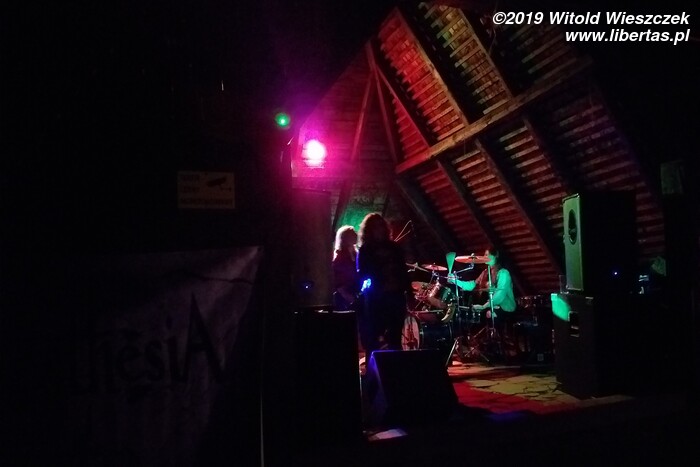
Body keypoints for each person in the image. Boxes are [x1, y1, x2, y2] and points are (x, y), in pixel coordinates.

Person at [356, 213, 413, 363]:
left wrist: (409, 294)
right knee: (373, 337)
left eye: (381, 226)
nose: (379, 229)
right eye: (375, 227)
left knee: (395, 336)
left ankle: (396, 367)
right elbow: (362, 274)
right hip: (376, 298)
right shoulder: (366, 250)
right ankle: (373, 369)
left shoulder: (394, 248)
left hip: (396, 296)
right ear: (369, 230)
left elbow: (403, 272)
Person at [448, 247, 516, 320]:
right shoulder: (485, 273)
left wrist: (484, 307)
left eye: (486, 255)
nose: (484, 256)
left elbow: (500, 294)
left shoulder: (504, 273)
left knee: (488, 314)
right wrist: (455, 281)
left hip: (505, 307)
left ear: (495, 256)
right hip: (491, 305)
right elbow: (472, 285)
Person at [332, 225, 360, 310]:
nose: (356, 235)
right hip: (344, 299)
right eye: (352, 233)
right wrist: (349, 297)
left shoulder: (356, 254)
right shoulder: (340, 256)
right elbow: (338, 281)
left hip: (354, 294)